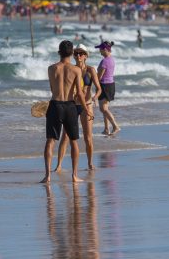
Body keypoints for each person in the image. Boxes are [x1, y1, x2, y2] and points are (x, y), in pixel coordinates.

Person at [41, 40, 92, 183]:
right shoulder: (76, 70)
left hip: (55, 105)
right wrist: (87, 109)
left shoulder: (51, 69)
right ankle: (75, 175)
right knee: (74, 141)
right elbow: (80, 94)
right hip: (70, 106)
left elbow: (52, 88)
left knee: (50, 141)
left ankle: (47, 175)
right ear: (72, 53)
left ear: (59, 52)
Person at [53, 44, 102, 172]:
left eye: (81, 53)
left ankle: (90, 163)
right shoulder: (72, 69)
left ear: (86, 56)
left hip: (87, 105)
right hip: (72, 106)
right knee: (65, 136)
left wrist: (95, 97)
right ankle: (58, 165)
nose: (78, 55)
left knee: (88, 137)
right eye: (76, 53)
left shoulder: (91, 70)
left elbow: (99, 88)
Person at [95, 41, 119, 135]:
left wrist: (92, 82)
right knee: (105, 108)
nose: (99, 51)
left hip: (105, 85)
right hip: (110, 84)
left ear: (105, 49)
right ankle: (106, 129)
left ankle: (115, 126)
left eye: (100, 49)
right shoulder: (111, 59)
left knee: (103, 109)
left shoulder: (105, 61)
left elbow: (99, 76)